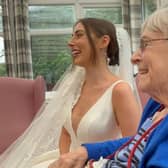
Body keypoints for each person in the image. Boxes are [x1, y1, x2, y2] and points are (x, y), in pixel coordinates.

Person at [0, 18, 140, 168]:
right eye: (72, 36)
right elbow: (66, 134)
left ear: (104, 41)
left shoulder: (120, 91)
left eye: (79, 35)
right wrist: (64, 160)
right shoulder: (75, 87)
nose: (70, 42)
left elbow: (133, 147)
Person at [48, 7, 168, 168]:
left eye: (145, 44)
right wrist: (86, 151)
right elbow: (136, 141)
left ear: (104, 42)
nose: (134, 57)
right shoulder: (157, 104)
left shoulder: (119, 90)